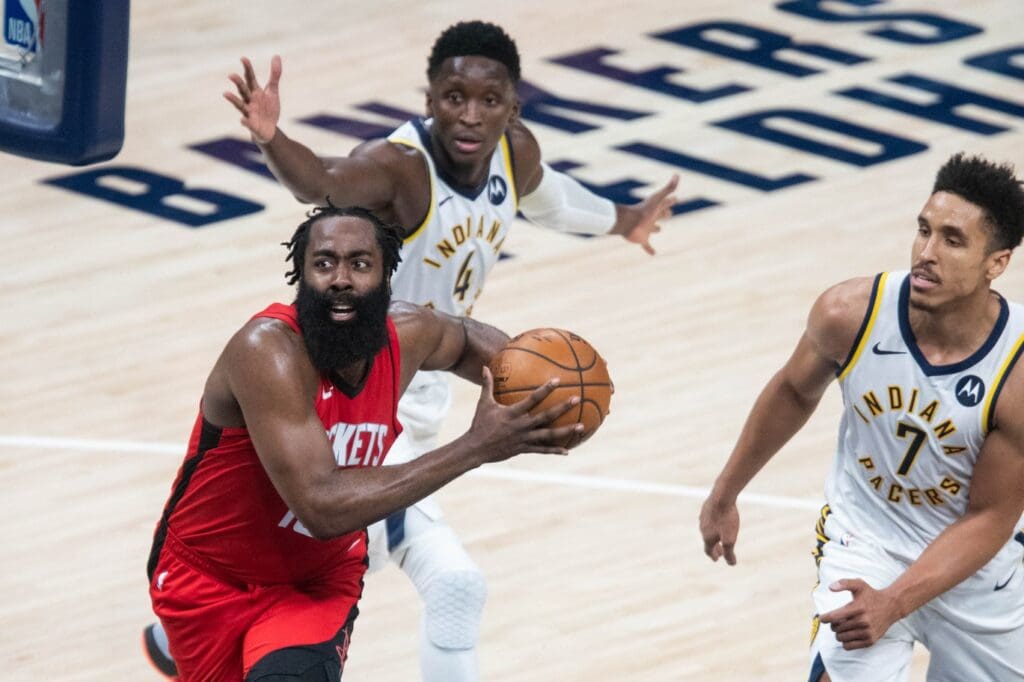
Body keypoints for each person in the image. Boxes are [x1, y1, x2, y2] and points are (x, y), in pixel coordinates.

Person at [143, 19, 679, 682]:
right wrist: (272, 138)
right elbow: (323, 184)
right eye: (454, 97)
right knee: (453, 585)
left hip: (408, 392)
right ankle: (203, 616)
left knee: (308, 541)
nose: (469, 115)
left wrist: (621, 227)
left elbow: (549, 200)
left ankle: (201, 628)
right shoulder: (397, 170)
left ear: (512, 108)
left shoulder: (514, 155)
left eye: (489, 102)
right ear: (429, 99)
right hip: (356, 403)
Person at [146, 205, 584, 681]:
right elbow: (321, 508)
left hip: (316, 583)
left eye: (359, 263)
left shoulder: (410, 334)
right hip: (210, 578)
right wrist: (476, 446)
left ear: (385, 275)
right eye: (323, 263)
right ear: (301, 275)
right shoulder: (268, 352)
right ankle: (171, 644)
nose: (340, 279)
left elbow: (461, 339)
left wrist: (540, 387)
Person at [698, 152, 1024, 681]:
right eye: (924, 230)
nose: (926, 253)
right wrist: (725, 492)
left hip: (974, 571)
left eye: (953, 240)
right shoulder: (850, 314)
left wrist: (895, 601)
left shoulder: (1017, 372)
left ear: (997, 263)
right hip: (866, 541)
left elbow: (988, 518)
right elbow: (793, 393)